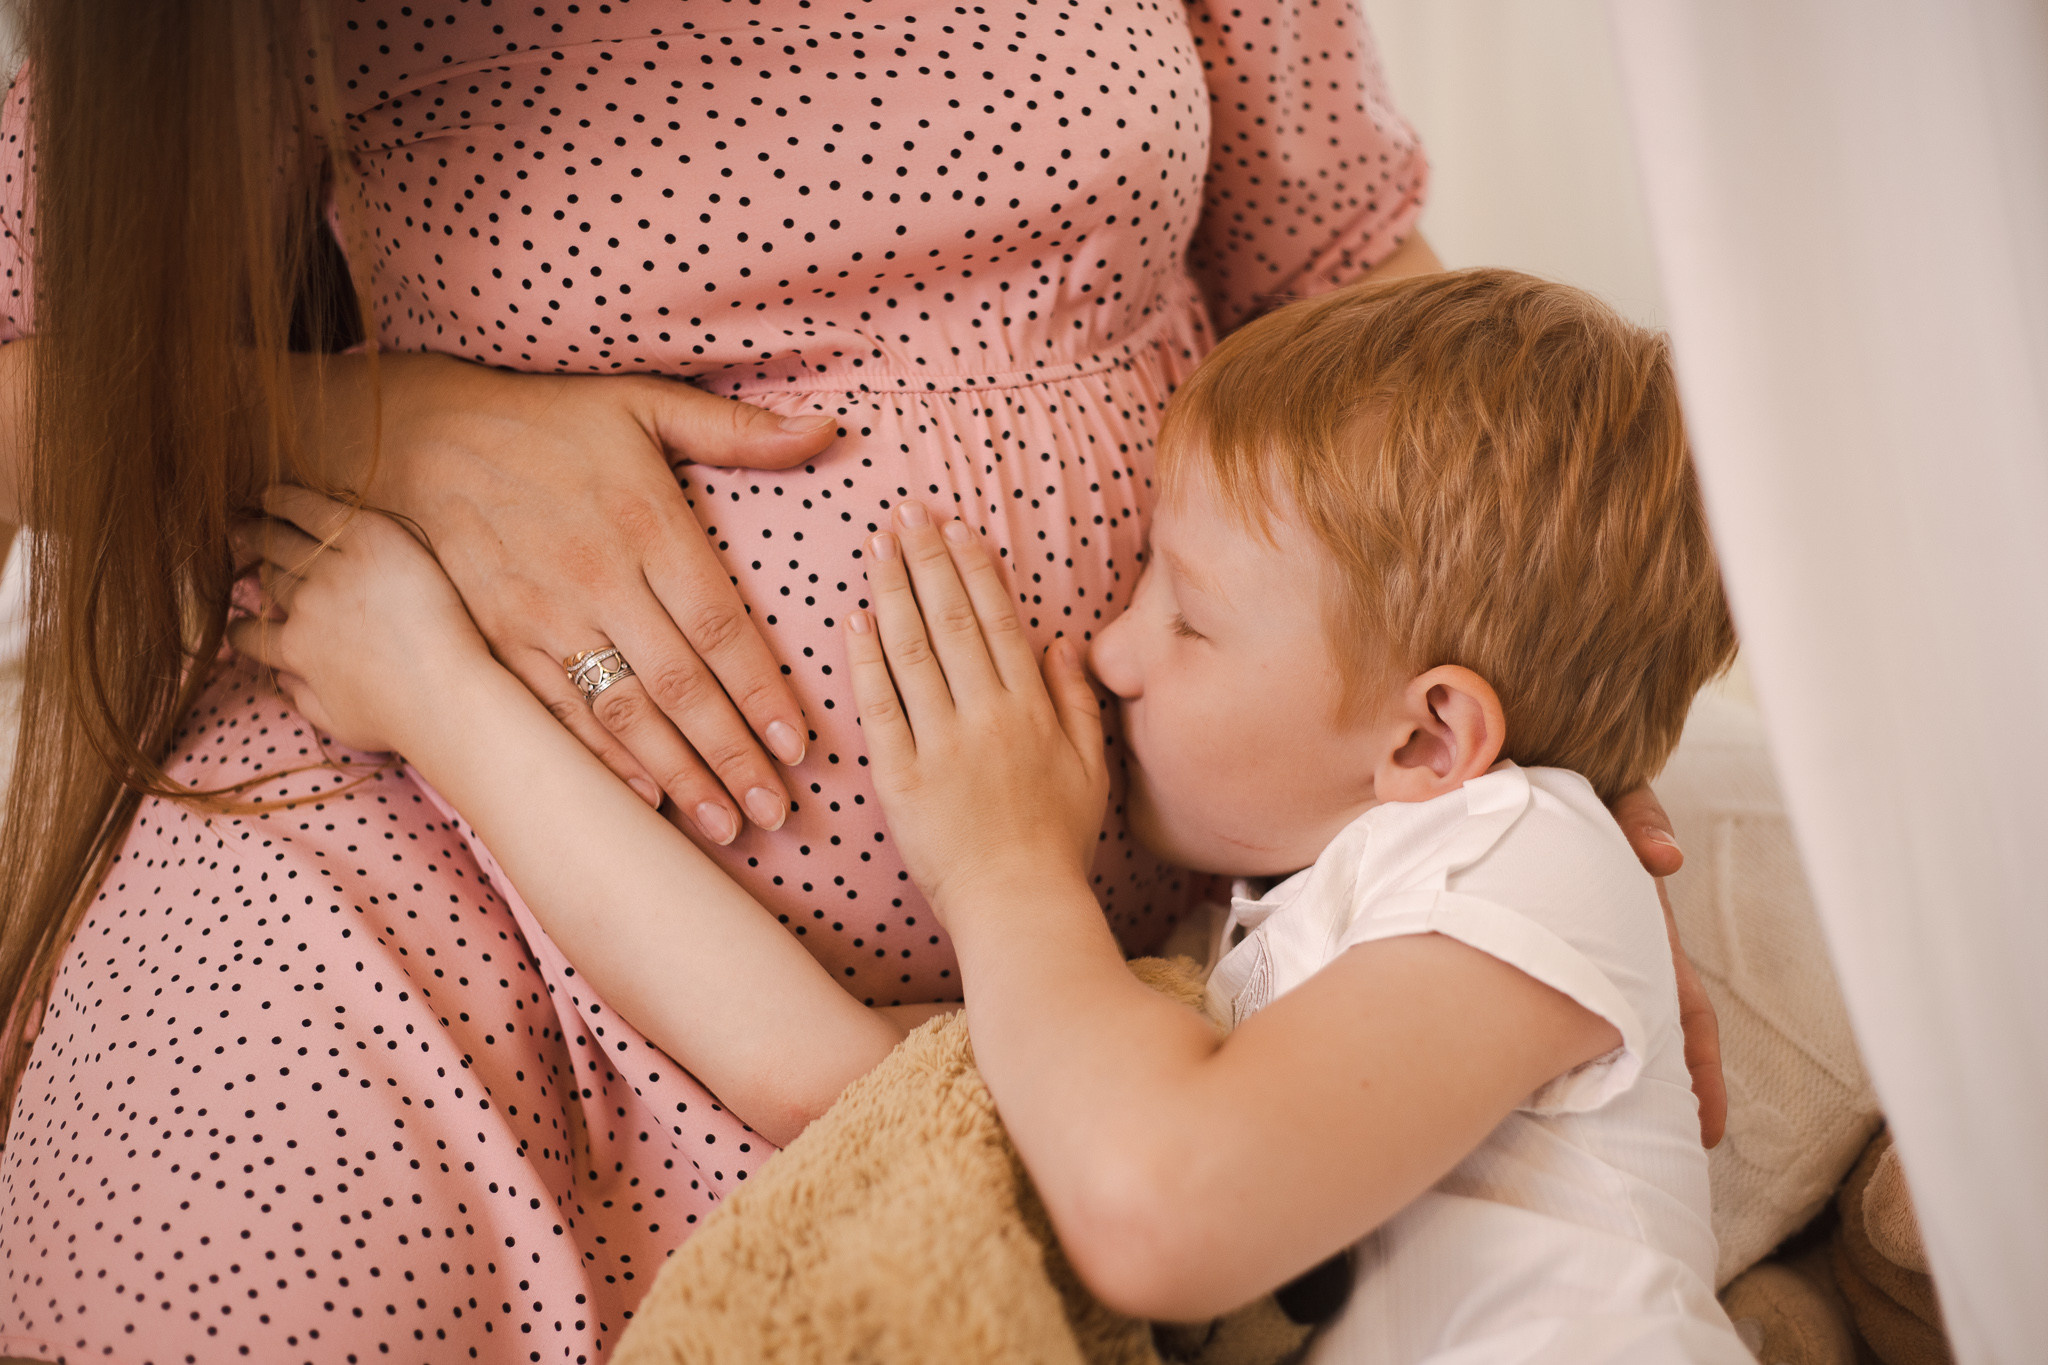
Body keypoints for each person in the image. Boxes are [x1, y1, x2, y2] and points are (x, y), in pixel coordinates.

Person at [0, 2, 1718, 1359]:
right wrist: (372, 425)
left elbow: (1340, 282)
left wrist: (1552, 660)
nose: (1109, 652)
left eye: (1179, 618)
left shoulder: (1383, 906)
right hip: (416, 874)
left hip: (970, 1010)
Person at [227, 267, 1747, 1361]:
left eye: (1187, 614)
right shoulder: (1243, 967)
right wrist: (443, 699)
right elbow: (822, 1071)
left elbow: (1156, 1212)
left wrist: (1007, 872)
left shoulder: (1526, 855)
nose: (1113, 651)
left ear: (1428, 736)